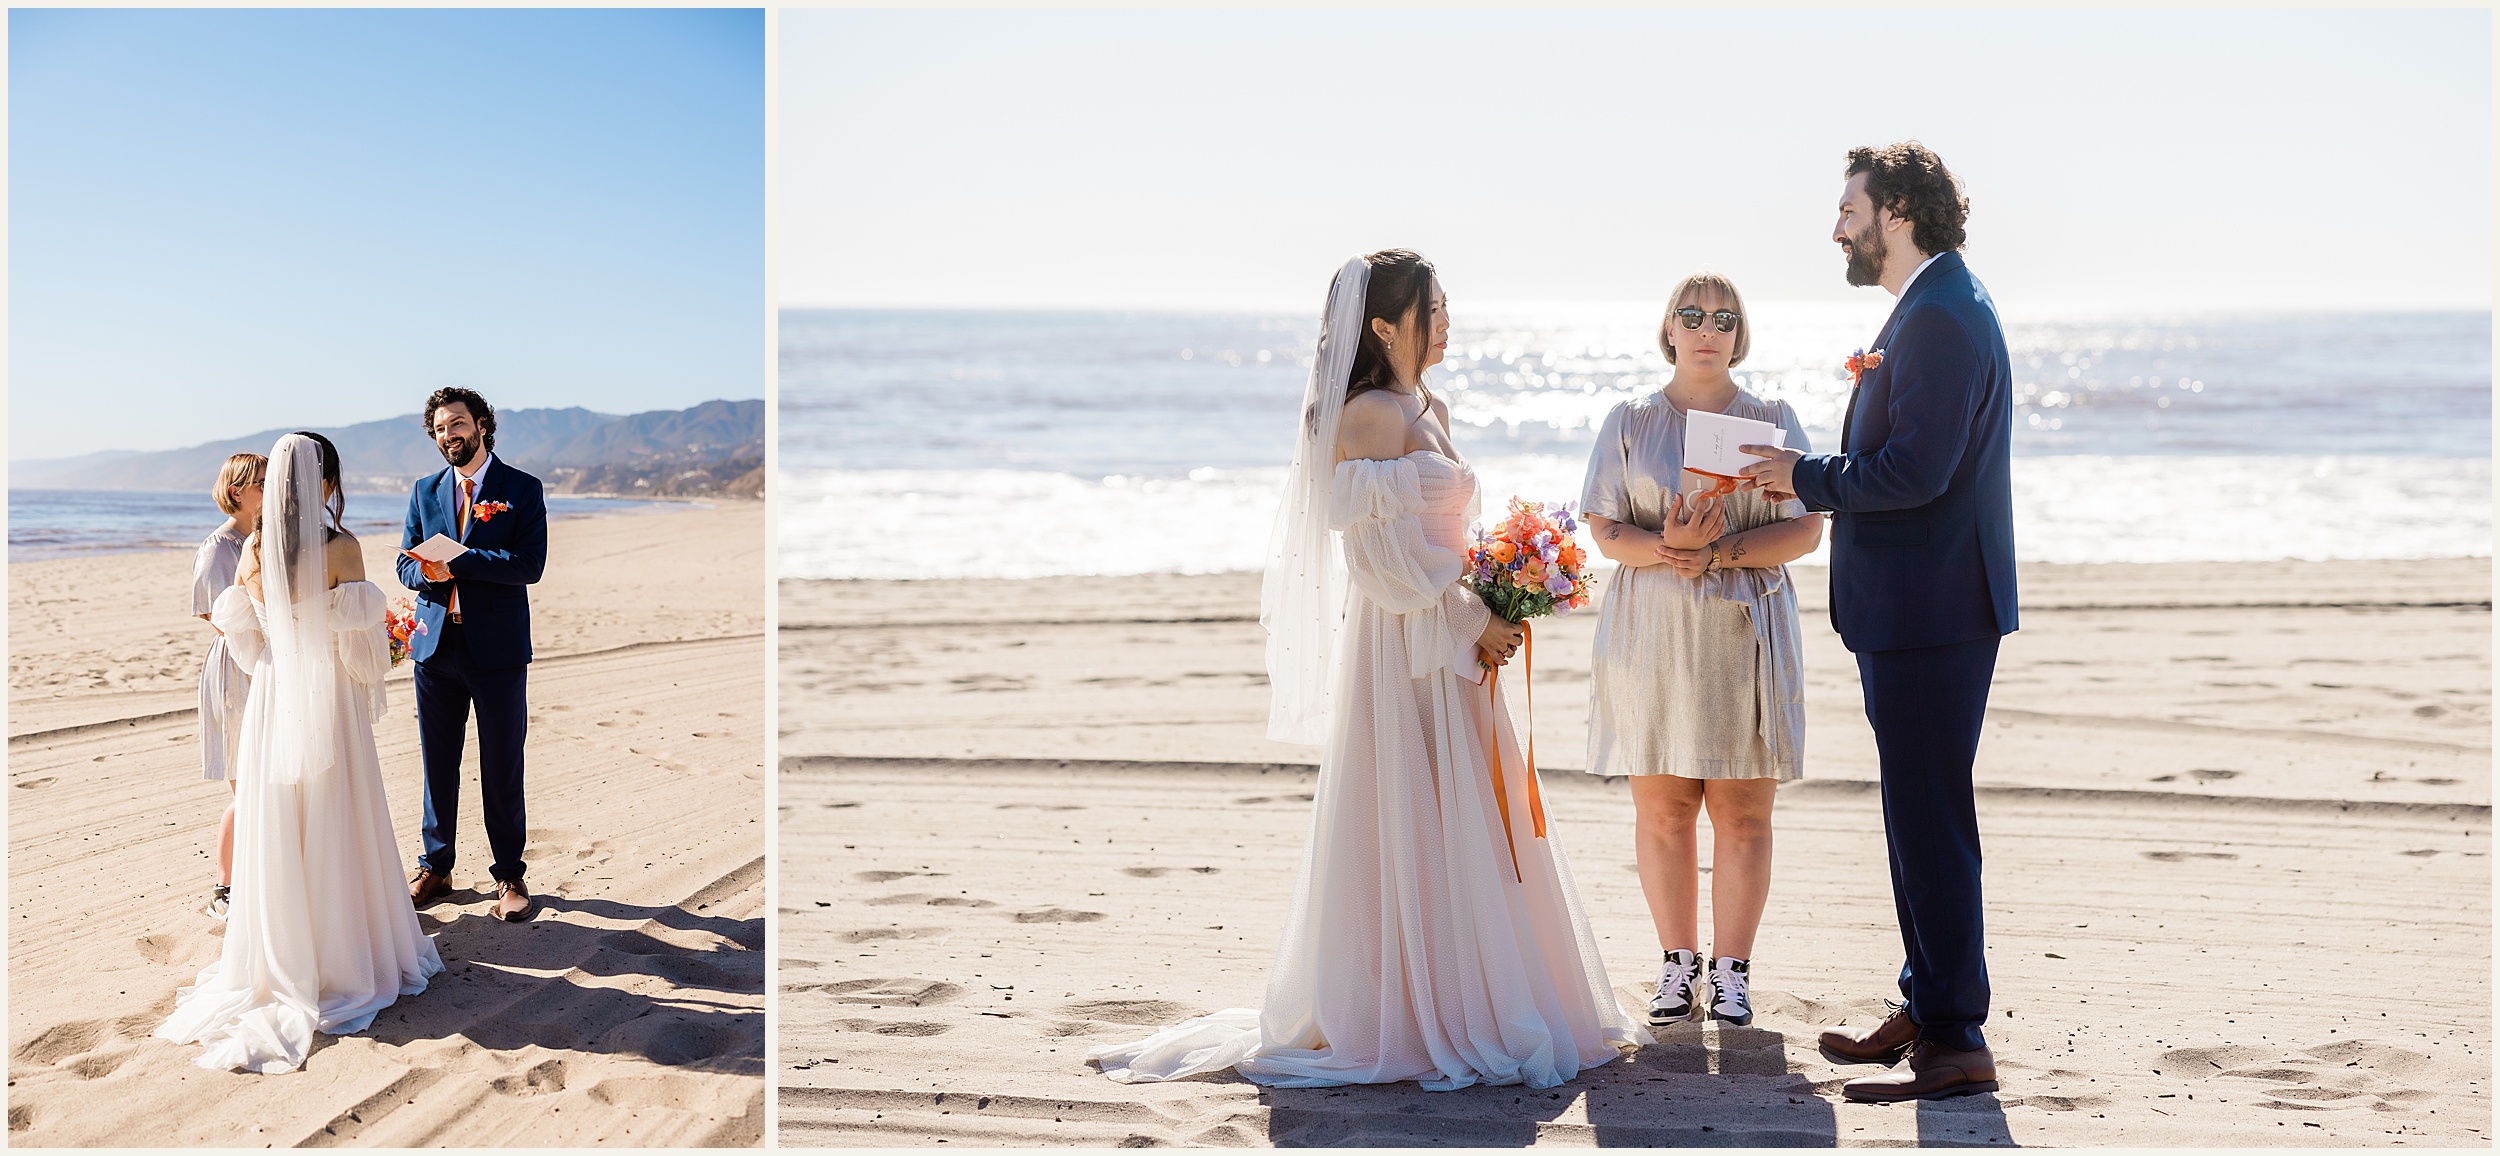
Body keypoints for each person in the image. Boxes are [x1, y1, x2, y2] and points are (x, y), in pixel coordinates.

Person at [1089, 251, 1648, 1091]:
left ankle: (1474, 992)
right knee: (1415, 815)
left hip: (1452, 639)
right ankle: (1415, 1009)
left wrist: (1504, 587)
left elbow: (1440, 537)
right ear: (1384, 326)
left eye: (1449, 306)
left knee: (1472, 818)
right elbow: (1381, 565)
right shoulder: (1368, 417)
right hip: (1405, 649)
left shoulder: (1431, 404)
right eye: (1434, 309)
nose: (1449, 322)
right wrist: (1478, 617)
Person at [1738, 141, 2018, 1101]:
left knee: (1931, 819)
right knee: (1916, 814)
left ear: (1897, 208)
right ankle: (1931, 1005)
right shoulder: (1932, 306)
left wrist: (1798, 477)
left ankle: (1956, 1040)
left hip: (1933, 613)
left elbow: (1914, 473)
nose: (1838, 227)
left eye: (1849, 207)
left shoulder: (1941, 315)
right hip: (1920, 610)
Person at [156, 432, 444, 1073]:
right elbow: (365, 656)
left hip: (272, 698)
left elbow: (246, 640)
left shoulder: (253, 547)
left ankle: (279, 953)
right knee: (336, 812)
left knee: (281, 820)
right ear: (325, 481)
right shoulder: (340, 547)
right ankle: (342, 955)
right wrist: (384, 645)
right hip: (327, 698)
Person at [1580, 272, 1821, 1031]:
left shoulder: (1774, 418)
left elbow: (1808, 529)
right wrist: (1670, 548)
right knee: (1664, 809)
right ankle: (1676, 966)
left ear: (1739, 332)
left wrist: (1718, 554)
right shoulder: (1629, 419)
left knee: (1744, 813)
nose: (1707, 327)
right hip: (1653, 629)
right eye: (1692, 315)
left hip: (1744, 625)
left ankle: (1733, 972)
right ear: (1670, 330)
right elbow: (1605, 529)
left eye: (1723, 316)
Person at [398, 388, 549, 923]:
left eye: (457, 424)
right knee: (437, 766)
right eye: (439, 429)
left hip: (498, 651)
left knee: (502, 764)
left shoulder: (522, 489)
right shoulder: (423, 490)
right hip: (435, 648)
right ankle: (436, 867)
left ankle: (509, 874)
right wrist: (427, 571)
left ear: (482, 425)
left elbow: (529, 564)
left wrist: (461, 560)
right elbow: (405, 563)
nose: (448, 436)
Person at [192, 451, 266, 918]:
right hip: (236, 667)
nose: (270, 489)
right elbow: (211, 611)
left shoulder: (263, 538)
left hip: (266, 664)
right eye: (262, 482)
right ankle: (225, 889)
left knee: (269, 782)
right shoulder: (220, 546)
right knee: (249, 788)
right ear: (237, 490)